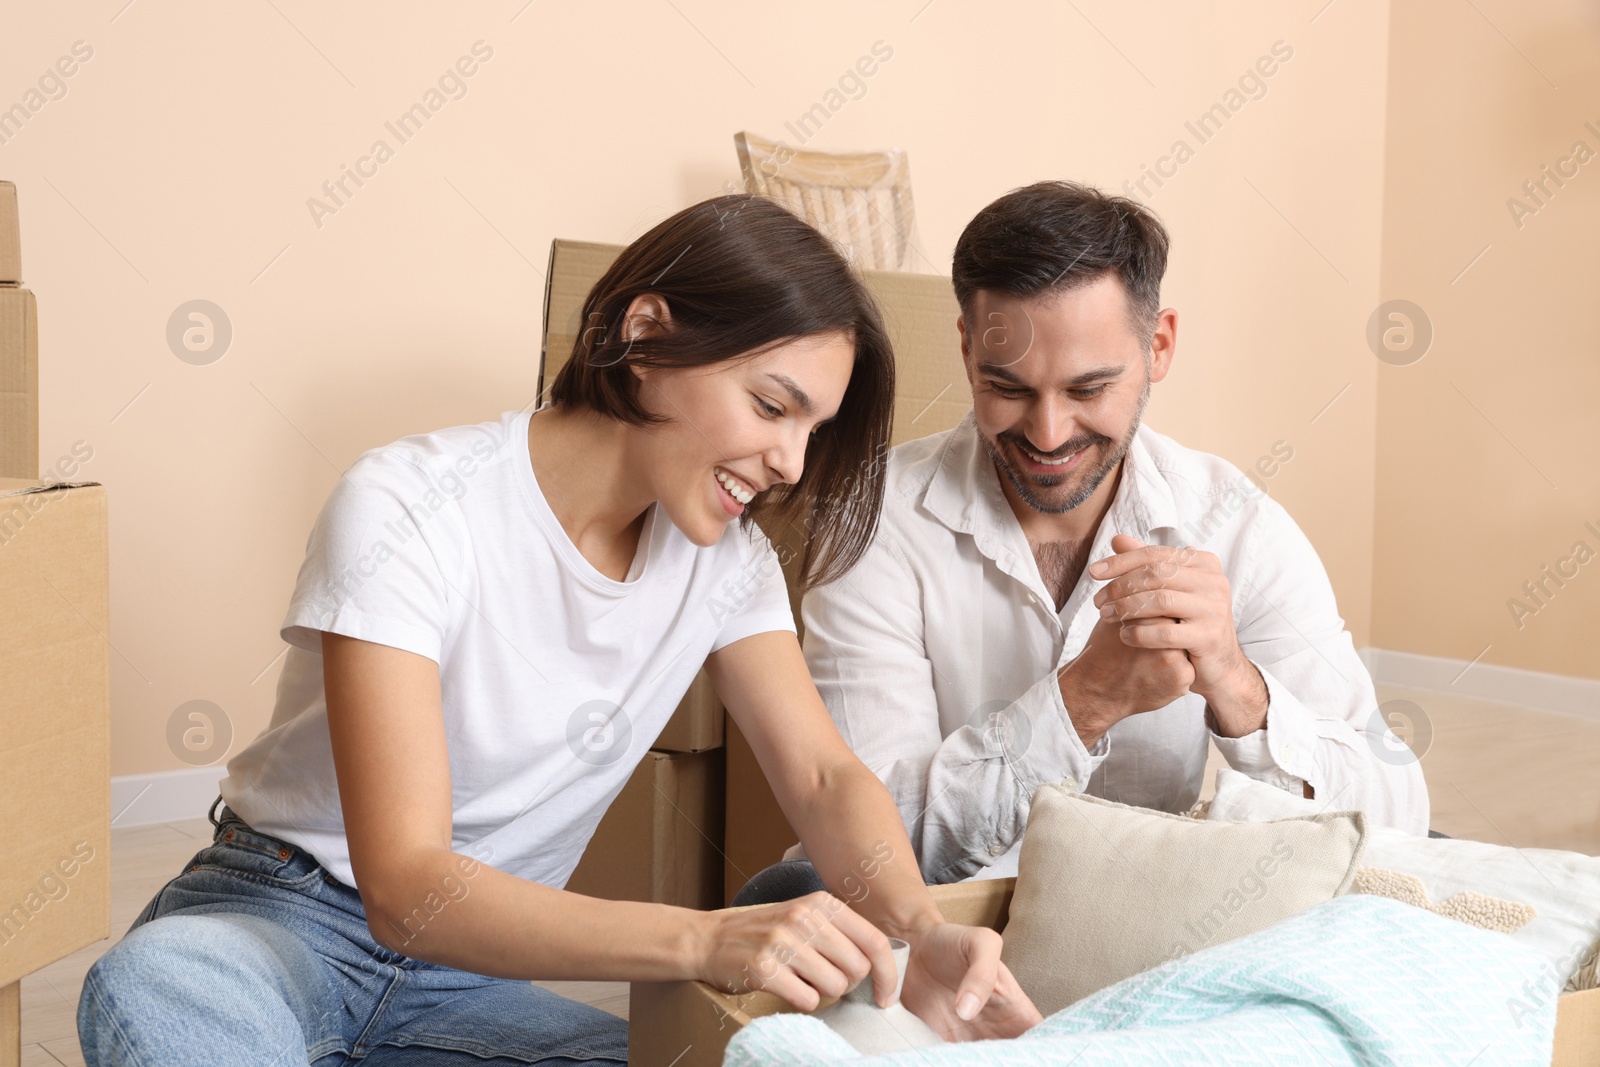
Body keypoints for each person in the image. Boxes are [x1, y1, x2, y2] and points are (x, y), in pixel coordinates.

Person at [76, 196, 1040, 1067]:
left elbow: (825, 776)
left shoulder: (727, 563)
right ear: (647, 330)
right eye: (771, 405)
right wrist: (703, 937)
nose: (789, 460)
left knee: (742, 1006)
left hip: (470, 984)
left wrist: (919, 929)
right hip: (280, 919)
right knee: (158, 989)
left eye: (811, 430)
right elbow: (406, 885)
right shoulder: (411, 504)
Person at [734, 180, 1429, 904]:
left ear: (1158, 347)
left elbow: (1399, 814)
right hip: (941, 924)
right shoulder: (874, 520)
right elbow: (871, 848)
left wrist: (1235, 684)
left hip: (1142, 918)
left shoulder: (1238, 524)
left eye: (1089, 389)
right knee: (802, 887)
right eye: (1009, 388)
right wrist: (1084, 700)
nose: (1048, 433)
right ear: (968, 350)